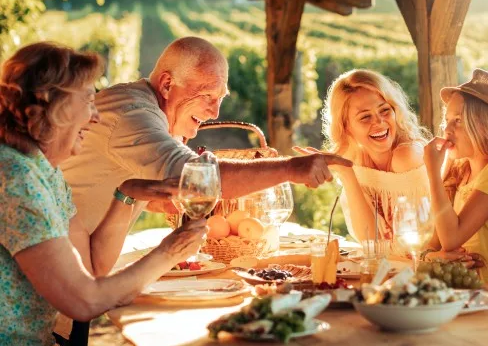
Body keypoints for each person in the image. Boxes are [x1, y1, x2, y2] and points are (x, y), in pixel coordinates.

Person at [0, 42, 207, 346]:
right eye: (88, 101)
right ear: (54, 107)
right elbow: (83, 302)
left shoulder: (45, 170)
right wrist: (172, 250)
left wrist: (126, 194)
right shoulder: (16, 179)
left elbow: (94, 269)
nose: (95, 116)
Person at [61, 36, 351, 237]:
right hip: (53, 274)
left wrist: (155, 201)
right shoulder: (132, 114)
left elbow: (112, 176)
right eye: (207, 96)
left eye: (220, 98)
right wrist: (291, 168)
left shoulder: (146, 109)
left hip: (73, 260)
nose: (214, 112)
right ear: (167, 83)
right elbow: (199, 179)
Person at [296, 69, 430, 243]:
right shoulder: (356, 159)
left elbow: (419, 243)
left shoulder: (406, 156)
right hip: (392, 266)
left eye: (384, 110)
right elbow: (370, 240)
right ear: (346, 126)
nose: (379, 122)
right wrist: (346, 173)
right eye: (365, 117)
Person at [422, 69, 488, 285]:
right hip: (465, 293)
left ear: (484, 125)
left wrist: (432, 172)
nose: (447, 129)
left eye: (459, 120)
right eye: (447, 119)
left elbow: (452, 239)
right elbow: (434, 245)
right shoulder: (459, 173)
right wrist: (433, 258)